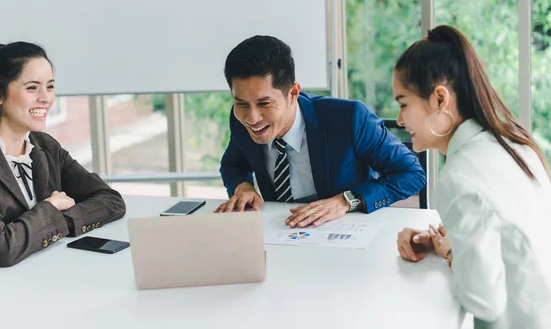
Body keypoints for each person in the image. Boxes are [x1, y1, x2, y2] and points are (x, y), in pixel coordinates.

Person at [393, 25, 551, 327]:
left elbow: (483, 302)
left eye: (403, 104)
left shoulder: (458, 177)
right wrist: (450, 245)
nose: (400, 120)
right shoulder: (515, 145)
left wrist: (454, 254)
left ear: (440, 99)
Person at [215, 35, 425, 228]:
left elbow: (411, 174)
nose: (252, 118)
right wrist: (243, 187)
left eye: (264, 103)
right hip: (280, 233)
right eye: (241, 103)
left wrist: (347, 200)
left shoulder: (349, 118)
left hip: (346, 233)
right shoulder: (241, 121)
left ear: (293, 93)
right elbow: (233, 165)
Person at [0, 42, 126, 273]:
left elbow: (111, 201)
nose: (46, 98)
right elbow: (2, 247)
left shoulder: (45, 146)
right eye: (32, 88)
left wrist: (59, 221)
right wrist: (51, 208)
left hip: (43, 276)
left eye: (50, 86)